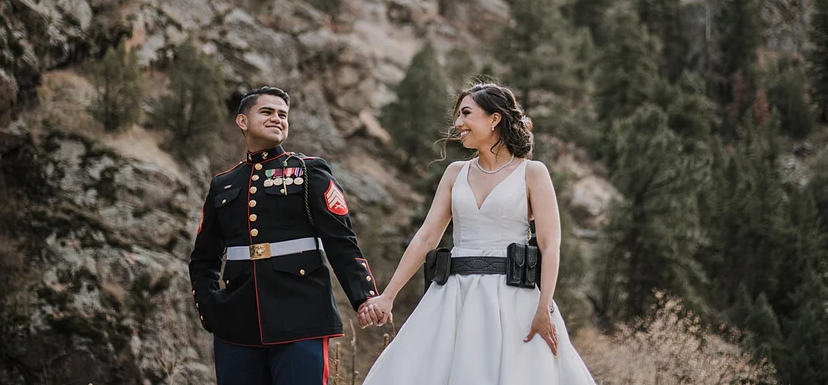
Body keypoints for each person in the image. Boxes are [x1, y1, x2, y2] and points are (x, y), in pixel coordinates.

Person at [356, 82, 598, 384]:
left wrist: (543, 307)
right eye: (458, 116)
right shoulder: (455, 173)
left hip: (514, 300)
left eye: (466, 114)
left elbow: (551, 245)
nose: (458, 124)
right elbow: (426, 237)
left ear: (494, 119)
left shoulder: (533, 173)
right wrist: (388, 296)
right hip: (452, 295)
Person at [189, 86, 380, 385]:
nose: (277, 119)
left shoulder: (309, 172)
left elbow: (341, 241)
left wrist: (364, 297)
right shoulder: (223, 184)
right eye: (267, 112)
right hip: (236, 321)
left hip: (302, 317)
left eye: (283, 115)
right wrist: (209, 307)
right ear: (242, 121)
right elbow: (204, 258)